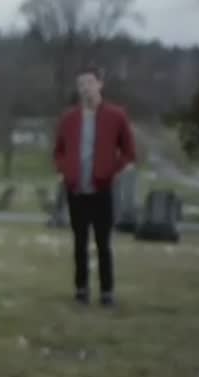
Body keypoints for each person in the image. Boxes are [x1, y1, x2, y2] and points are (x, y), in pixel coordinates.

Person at [52, 65, 136, 307]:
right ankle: (81, 290)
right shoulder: (69, 118)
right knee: (79, 243)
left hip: (102, 189)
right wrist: (64, 170)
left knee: (103, 243)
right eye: (81, 84)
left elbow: (129, 152)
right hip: (76, 190)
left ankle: (107, 292)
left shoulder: (116, 116)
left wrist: (115, 171)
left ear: (100, 84)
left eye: (89, 83)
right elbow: (58, 151)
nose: (85, 88)